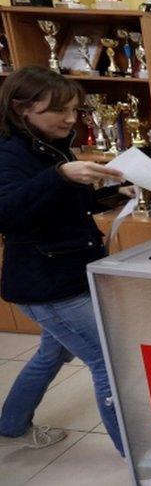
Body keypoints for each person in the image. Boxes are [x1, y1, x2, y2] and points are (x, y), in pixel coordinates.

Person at [0, 67, 133, 454]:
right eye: (59, 110)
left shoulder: (49, 145)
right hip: (48, 284)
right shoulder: (10, 153)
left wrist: (112, 195)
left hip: (65, 271)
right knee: (110, 362)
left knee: (53, 351)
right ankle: (139, 460)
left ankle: (11, 424)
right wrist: (60, 175)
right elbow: (7, 214)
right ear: (22, 108)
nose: (70, 119)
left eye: (74, 110)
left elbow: (61, 205)